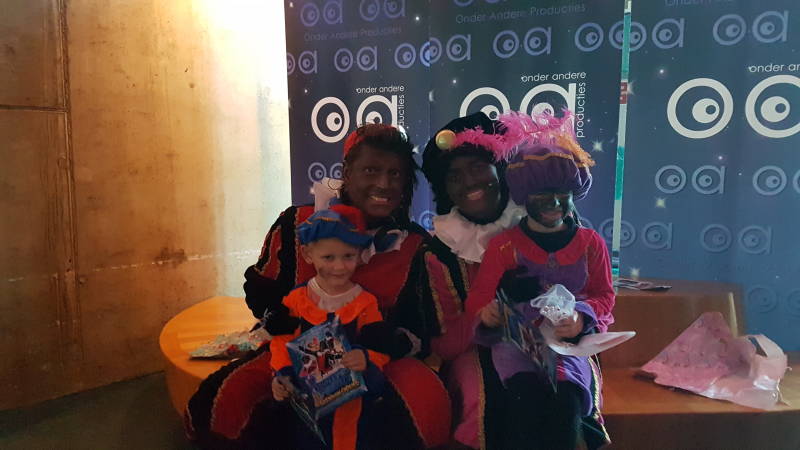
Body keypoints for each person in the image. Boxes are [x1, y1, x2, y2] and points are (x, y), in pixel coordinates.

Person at [185, 124, 450, 449]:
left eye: (395, 174)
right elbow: (262, 290)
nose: (384, 184)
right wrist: (288, 324)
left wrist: (375, 347)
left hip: (374, 359)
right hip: (295, 351)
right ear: (347, 173)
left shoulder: (416, 246)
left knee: (426, 406)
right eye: (371, 170)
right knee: (227, 399)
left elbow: (419, 326)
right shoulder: (296, 224)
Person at [463, 111, 615, 450]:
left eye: (561, 191)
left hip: (571, 347)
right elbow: (478, 299)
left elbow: (604, 295)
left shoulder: (591, 244)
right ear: (523, 195)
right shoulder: (504, 246)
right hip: (517, 346)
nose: (553, 202)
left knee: (567, 404)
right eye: (541, 193)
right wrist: (490, 313)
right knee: (524, 405)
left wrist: (580, 318)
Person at [417, 111, 527, 449]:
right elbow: (445, 339)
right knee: (480, 393)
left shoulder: (539, 220)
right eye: (454, 176)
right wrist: (481, 319)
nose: (467, 182)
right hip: (474, 349)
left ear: (499, 167)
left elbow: (581, 292)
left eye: (478, 167)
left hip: (551, 339)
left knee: (561, 388)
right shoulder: (440, 250)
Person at [269, 205, 389, 450]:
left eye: (348, 256)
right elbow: (281, 342)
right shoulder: (297, 300)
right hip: (307, 401)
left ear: (360, 254)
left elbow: (380, 347)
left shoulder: (366, 303)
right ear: (307, 254)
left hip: (351, 403)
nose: (339, 266)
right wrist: (281, 375)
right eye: (328, 257)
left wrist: (365, 357)